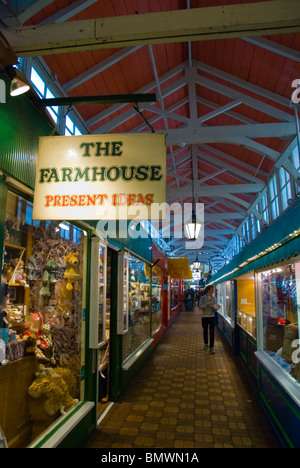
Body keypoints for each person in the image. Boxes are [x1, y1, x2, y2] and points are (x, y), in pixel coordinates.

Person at [199, 284, 217, 354]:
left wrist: (215, 308)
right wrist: (206, 304)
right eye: (212, 289)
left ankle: (211, 347)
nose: (213, 290)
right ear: (208, 290)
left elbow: (214, 306)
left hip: (212, 316)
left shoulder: (214, 298)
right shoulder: (203, 298)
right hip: (205, 317)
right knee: (205, 331)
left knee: (212, 332)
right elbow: (200, 306)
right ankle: (206, 343)